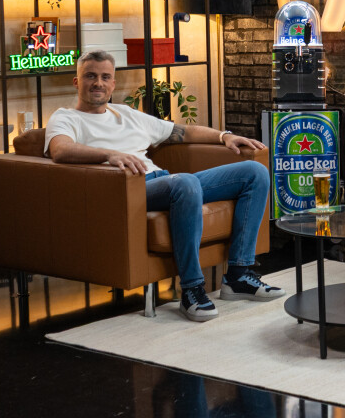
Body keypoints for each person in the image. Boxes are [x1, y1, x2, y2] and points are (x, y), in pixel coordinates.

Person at [45, 50, 284, 323]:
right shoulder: (65, 118)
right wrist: (110, 154)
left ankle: (238, 276)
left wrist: (224, 136)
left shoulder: (126, 114)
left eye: (105, 77)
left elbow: (181, 131)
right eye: (90, 76)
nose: (98, 83)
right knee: (185, 182)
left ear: (113, 83)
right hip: (128, 190)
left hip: (168, 183)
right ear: (77, 82)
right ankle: (192, 289)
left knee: (254, 172)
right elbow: (61, 150)